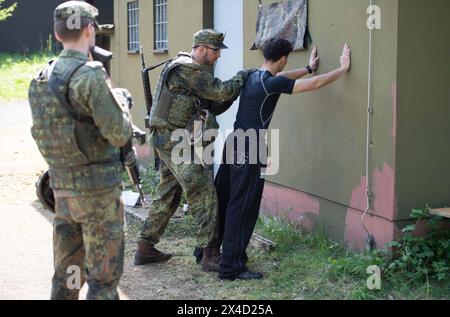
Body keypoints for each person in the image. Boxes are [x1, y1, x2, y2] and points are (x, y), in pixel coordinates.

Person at [215, 38, 351, 280]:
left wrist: (308, 68)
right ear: (283, 58)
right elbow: (314, 84)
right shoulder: (271, 83)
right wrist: (341, 69)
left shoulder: (253, 75)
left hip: (233, 141)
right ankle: (231, 267)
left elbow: (286, 77)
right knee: (243, 206)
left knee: (225, 199)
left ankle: (210, 252)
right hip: (250, 147)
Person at [28, 1, 133, 299]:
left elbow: (41, 134)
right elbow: (119, 132)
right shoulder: (90, 76)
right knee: (102, 280)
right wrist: (122, 101)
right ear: (90, 30)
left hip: (63, 192)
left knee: (68, 276)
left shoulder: (40, 78)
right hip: (98, 196)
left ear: (57, 34)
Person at [134, 29, 251, 272]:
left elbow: (215, 104)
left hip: (170, 139)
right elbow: (221, 90)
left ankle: (145, 247)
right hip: (173, 141)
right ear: (202, 48)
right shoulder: (188, 68)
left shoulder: (193, 73)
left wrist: (233, 92)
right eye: (216, 51)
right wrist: (242, 77)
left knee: (169, 192)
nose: (218, 56)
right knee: (202, 189)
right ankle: (210, 254)